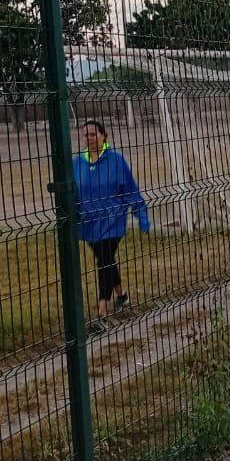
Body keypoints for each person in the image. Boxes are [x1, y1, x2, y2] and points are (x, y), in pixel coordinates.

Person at [73, 119, 151, 332]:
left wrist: (141, 215)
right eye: (86, 135)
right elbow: (73, 194)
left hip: (113, 221)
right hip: (89, 224)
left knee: (104, 261)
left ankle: (101, 313)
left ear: (103, 135)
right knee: (106, 260)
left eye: (93, 134)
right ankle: (121, 296)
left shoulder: (116, 160)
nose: (89, 138)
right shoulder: (78, 164)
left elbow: (130, 189)